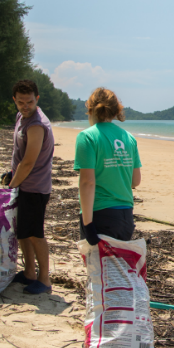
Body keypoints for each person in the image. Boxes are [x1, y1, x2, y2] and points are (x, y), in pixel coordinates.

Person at [5, 80, 55, 295]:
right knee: (22, 232)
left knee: (35, 234)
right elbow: (18, 152)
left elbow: (28, 161)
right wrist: (11, 175)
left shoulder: (36, 124)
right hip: (22, 184)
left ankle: (44, 279)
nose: (26, 106)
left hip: (35, 187)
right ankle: (29, 273)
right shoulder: (22, 116)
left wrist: (12, 185)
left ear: (37, 99)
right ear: (14, 100)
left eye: (30, 102)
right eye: (21, 102)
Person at [73, 88, 141, 245]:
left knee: (97, 268)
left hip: (99, 215)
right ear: (115, 111)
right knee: (119, 267)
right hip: (126, 216)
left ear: (90, 109)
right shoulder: (129, 138)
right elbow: (135, 181)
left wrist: (88, 225)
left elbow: (87, 182)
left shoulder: (87, 136)